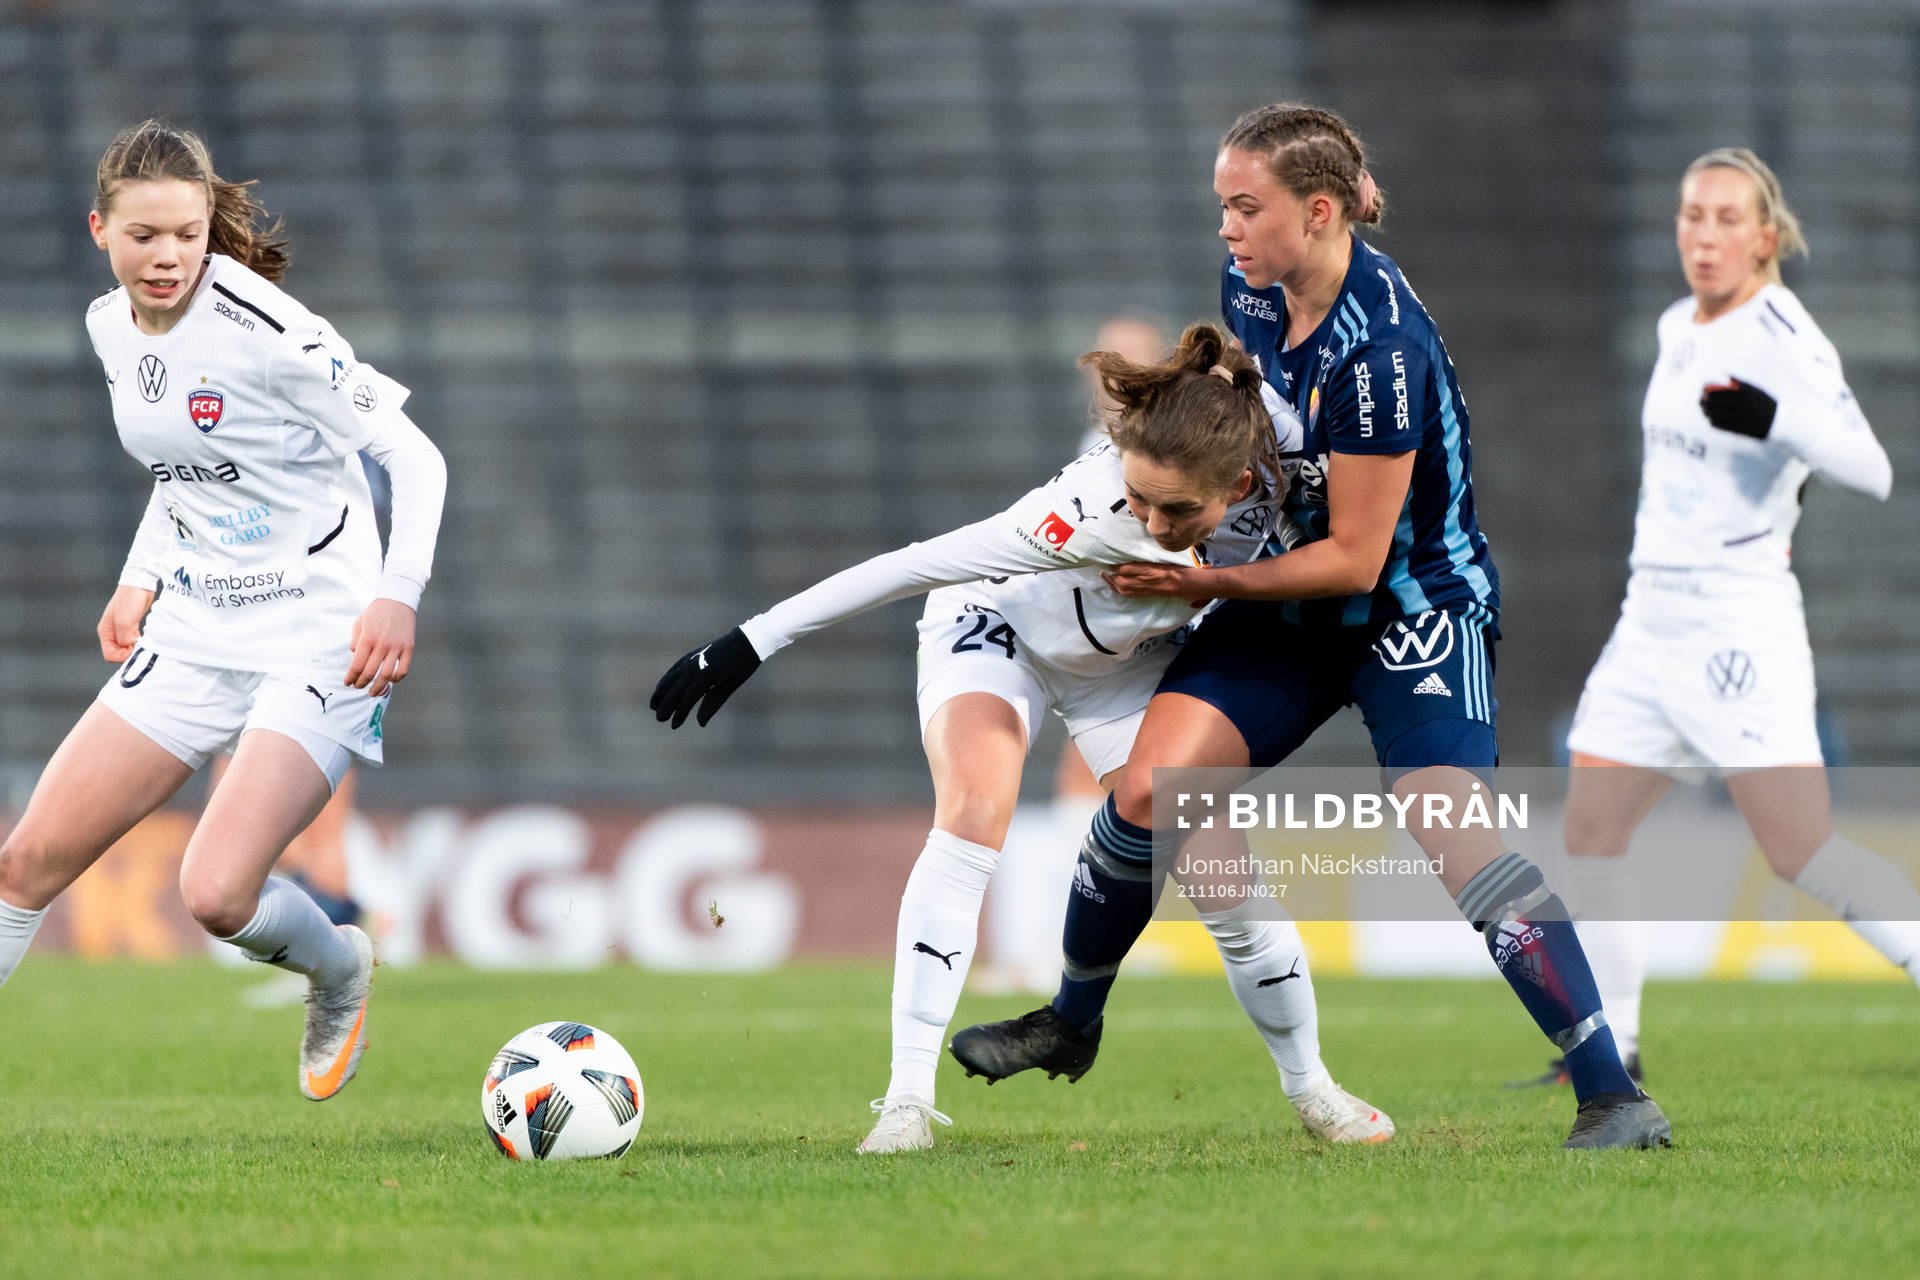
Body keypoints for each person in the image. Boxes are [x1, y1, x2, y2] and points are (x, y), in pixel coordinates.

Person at [949, 103, 1671, 1149]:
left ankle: (1613, 1093)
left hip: (1410, 605)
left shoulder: (1380, 353)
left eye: (1246, 207)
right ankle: (1071, 1019)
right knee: (1147, 789)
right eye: (1223, 206)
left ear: (1319, 211)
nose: (1227, 228)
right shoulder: (1253, 288)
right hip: (1289, 601)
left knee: (1450, 827)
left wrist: (1200, 583)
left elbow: (1358, 558)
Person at [654, 322, 1393, 1153]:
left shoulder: (1282, 450)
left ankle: (1313, 1090)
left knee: (1225, 874)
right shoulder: (1074, 515)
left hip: (1123, 667)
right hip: (997, 629)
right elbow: (915, 564)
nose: (1153, 522)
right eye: (1140, 498)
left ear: (1242, 481)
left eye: (1178, 509)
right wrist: (754, 638)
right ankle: (906, 1105)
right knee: (976, 810)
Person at [0, 120, 447, 1102]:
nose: (167, 256)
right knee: (23, 864)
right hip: (197, 626)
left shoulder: (271, 331)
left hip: (320, 632)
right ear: (99, 231)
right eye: (144, 235)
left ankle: (338, 967)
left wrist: (396, 595)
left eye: (187, 235)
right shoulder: (108, 328)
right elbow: (189, 469)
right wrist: (140, 575)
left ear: (210, 229)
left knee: (213, 893)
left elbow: (416, 458)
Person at [1521, 148, 1911, 1088]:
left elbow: (1872, 469)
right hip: (1648, 620)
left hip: (1736, 626)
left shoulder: (1784, 335)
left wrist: (1776, 418)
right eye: (1692, 215)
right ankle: (1614, 1050)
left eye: (1728, 219)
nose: (1705, 235)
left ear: (1765, 238)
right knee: (1592, 831)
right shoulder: (1675, 325)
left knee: (1800, 850)